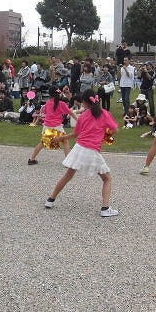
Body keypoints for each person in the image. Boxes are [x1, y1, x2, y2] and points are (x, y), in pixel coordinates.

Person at [44, 89, 119, 217]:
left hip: (79, 148)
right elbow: (115, 129)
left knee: (68, 175)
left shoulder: (83, 115)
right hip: (92, 150)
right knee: (107, 179)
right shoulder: (105, 113)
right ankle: (105, 208)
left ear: (84, 102)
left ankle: (50, 200)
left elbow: (75, 134)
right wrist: (106, 134)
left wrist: (61, 138)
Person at [28, 86, 78, 165]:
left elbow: (46, 112)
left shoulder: (48, 103)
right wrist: (78, 121)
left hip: (47, 126)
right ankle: (68, 161)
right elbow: (71, 113)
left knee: (43, 143)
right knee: (65, 141)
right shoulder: (62, 104)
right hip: (57, 127)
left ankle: (32, 159)